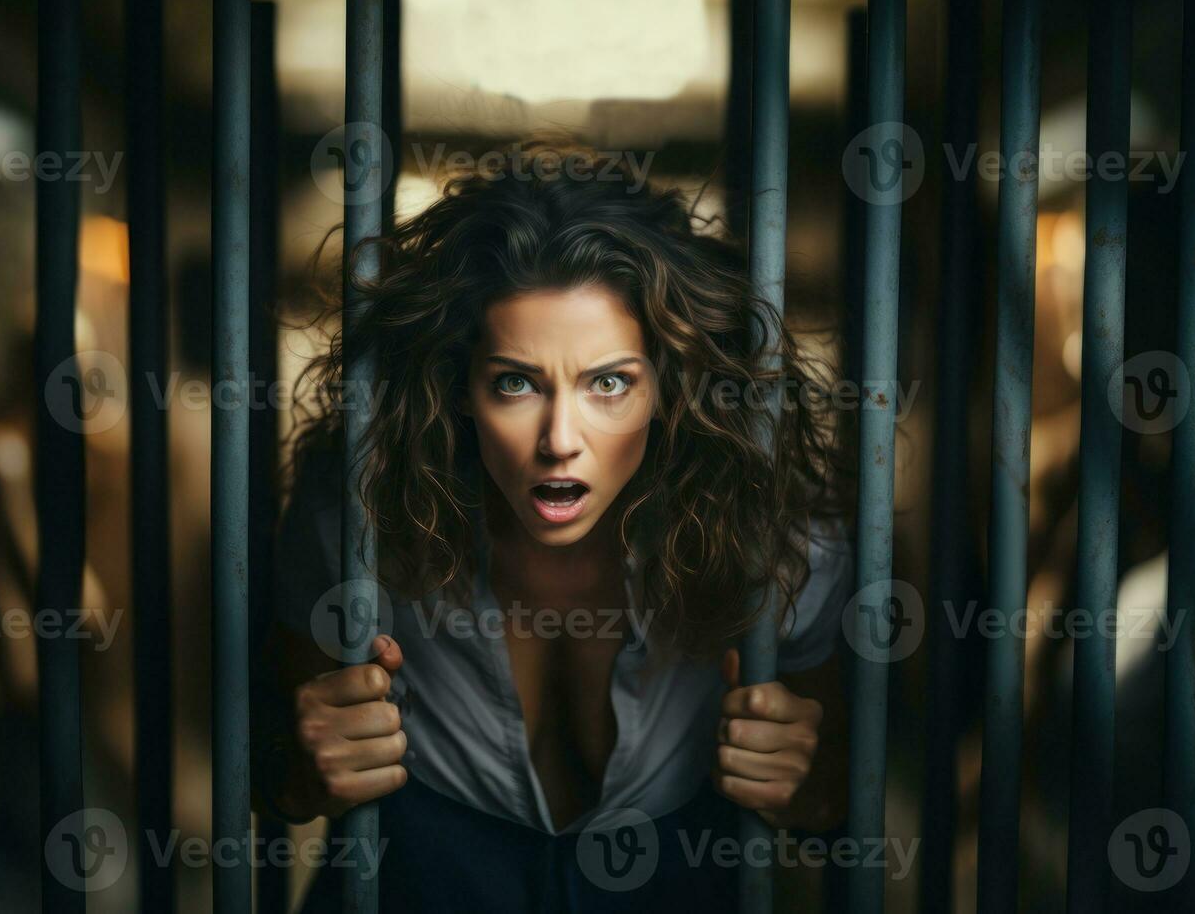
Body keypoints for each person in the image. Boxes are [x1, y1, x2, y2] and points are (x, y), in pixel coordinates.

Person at [258, 142, 854, 912]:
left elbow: (839, 791)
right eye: (515, 383)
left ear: (671, 387)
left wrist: (801, 787)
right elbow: (268, 758)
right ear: (458, 387)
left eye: (609, 383)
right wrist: (303, 768)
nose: (559, 439)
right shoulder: (356, 508)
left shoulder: (777, 531)